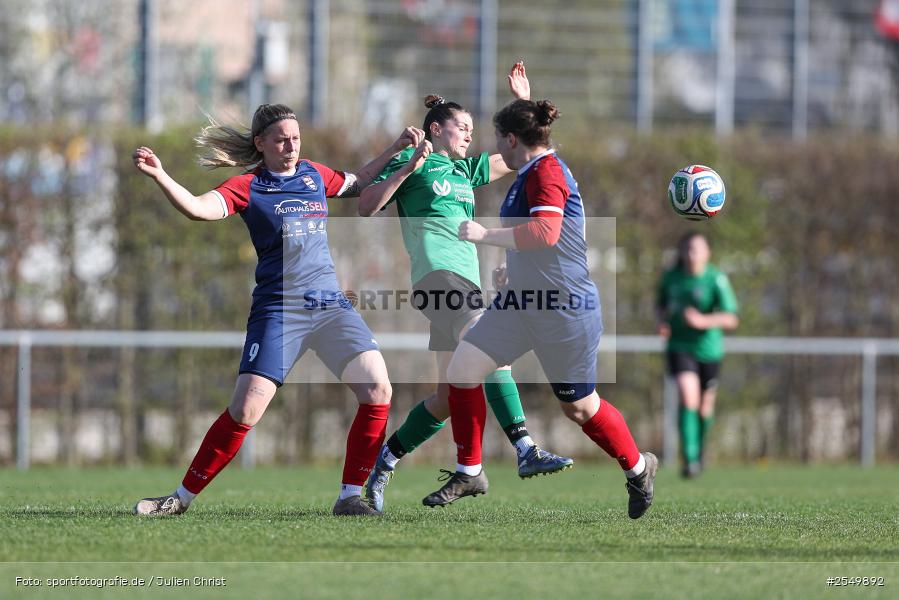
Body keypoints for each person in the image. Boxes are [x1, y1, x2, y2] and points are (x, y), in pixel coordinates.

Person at [131, 103, 420, 517]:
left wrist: (396, 149)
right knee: (245, 410)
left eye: (296, 138)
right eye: (282, 138)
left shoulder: (314, 175)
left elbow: (360, 182)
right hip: (280, 310)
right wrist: (160, 175)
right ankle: (180, 499)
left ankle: (350, 496)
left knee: (378, 390)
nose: (291, 145)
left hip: (330, 306)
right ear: (261, 143)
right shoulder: (247, 187)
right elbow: (198, 208)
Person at [358, 62, 573, 511]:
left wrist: (525, 103)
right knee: (488, 344)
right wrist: (407, 166)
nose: (471, 134)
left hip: (465, 281)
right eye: (462, 127)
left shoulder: (465, 171)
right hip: (436, 275)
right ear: (436, 129)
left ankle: (385, 462)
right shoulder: (418, 161)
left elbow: (522, 154)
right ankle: (523, 448)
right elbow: (367, 205)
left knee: (448, 397)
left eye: (475, 129)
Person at [440, 95, 658, 519]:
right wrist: (511, 269)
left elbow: (546, 233)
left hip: (564, 309)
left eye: (499, 139)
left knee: (578, 407)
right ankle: (470, 470)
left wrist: (484, 237)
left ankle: (638, 468)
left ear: (510, 138)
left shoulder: (546, 172)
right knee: (462, 371)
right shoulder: (530, 169)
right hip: (521, 304)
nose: (496, 150)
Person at [656, 232, 739, 478]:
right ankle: (690, 458)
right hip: (680, 347)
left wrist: (703, 320)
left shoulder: (716, 278)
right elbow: (660, 306)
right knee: (688, 397)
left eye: (698, 249)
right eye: (688, 249)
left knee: (704, 409)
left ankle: (701, 451)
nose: (693, 255)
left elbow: (731, 317)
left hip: (709, 350)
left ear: (707, 253)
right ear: (681, 252)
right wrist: (662, 322)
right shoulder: (671, 278)